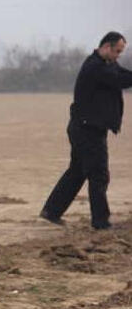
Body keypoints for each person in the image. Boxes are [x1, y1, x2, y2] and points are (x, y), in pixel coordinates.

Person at [40, 32, 132, 229]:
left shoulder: (107, 64)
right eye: (117, 51)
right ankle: (100, 222)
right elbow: (119, 81)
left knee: (77, 171)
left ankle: (51, 211)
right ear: (106, 46)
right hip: (86, 129)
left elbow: (123, 74)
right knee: (98, 174)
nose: (118, 56)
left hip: (85, 127)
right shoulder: (95, 67)